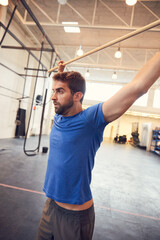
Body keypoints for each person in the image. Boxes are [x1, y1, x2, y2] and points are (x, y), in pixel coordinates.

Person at [37, 51, 160, 240]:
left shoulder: (90, 119)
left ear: (77, 96)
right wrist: (61, 72)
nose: (53, 97)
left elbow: (137, 88)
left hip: (74, 216)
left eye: (59, 91)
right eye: (54, 91)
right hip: (50, 206)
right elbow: (63, 94)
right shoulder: (60, 115)